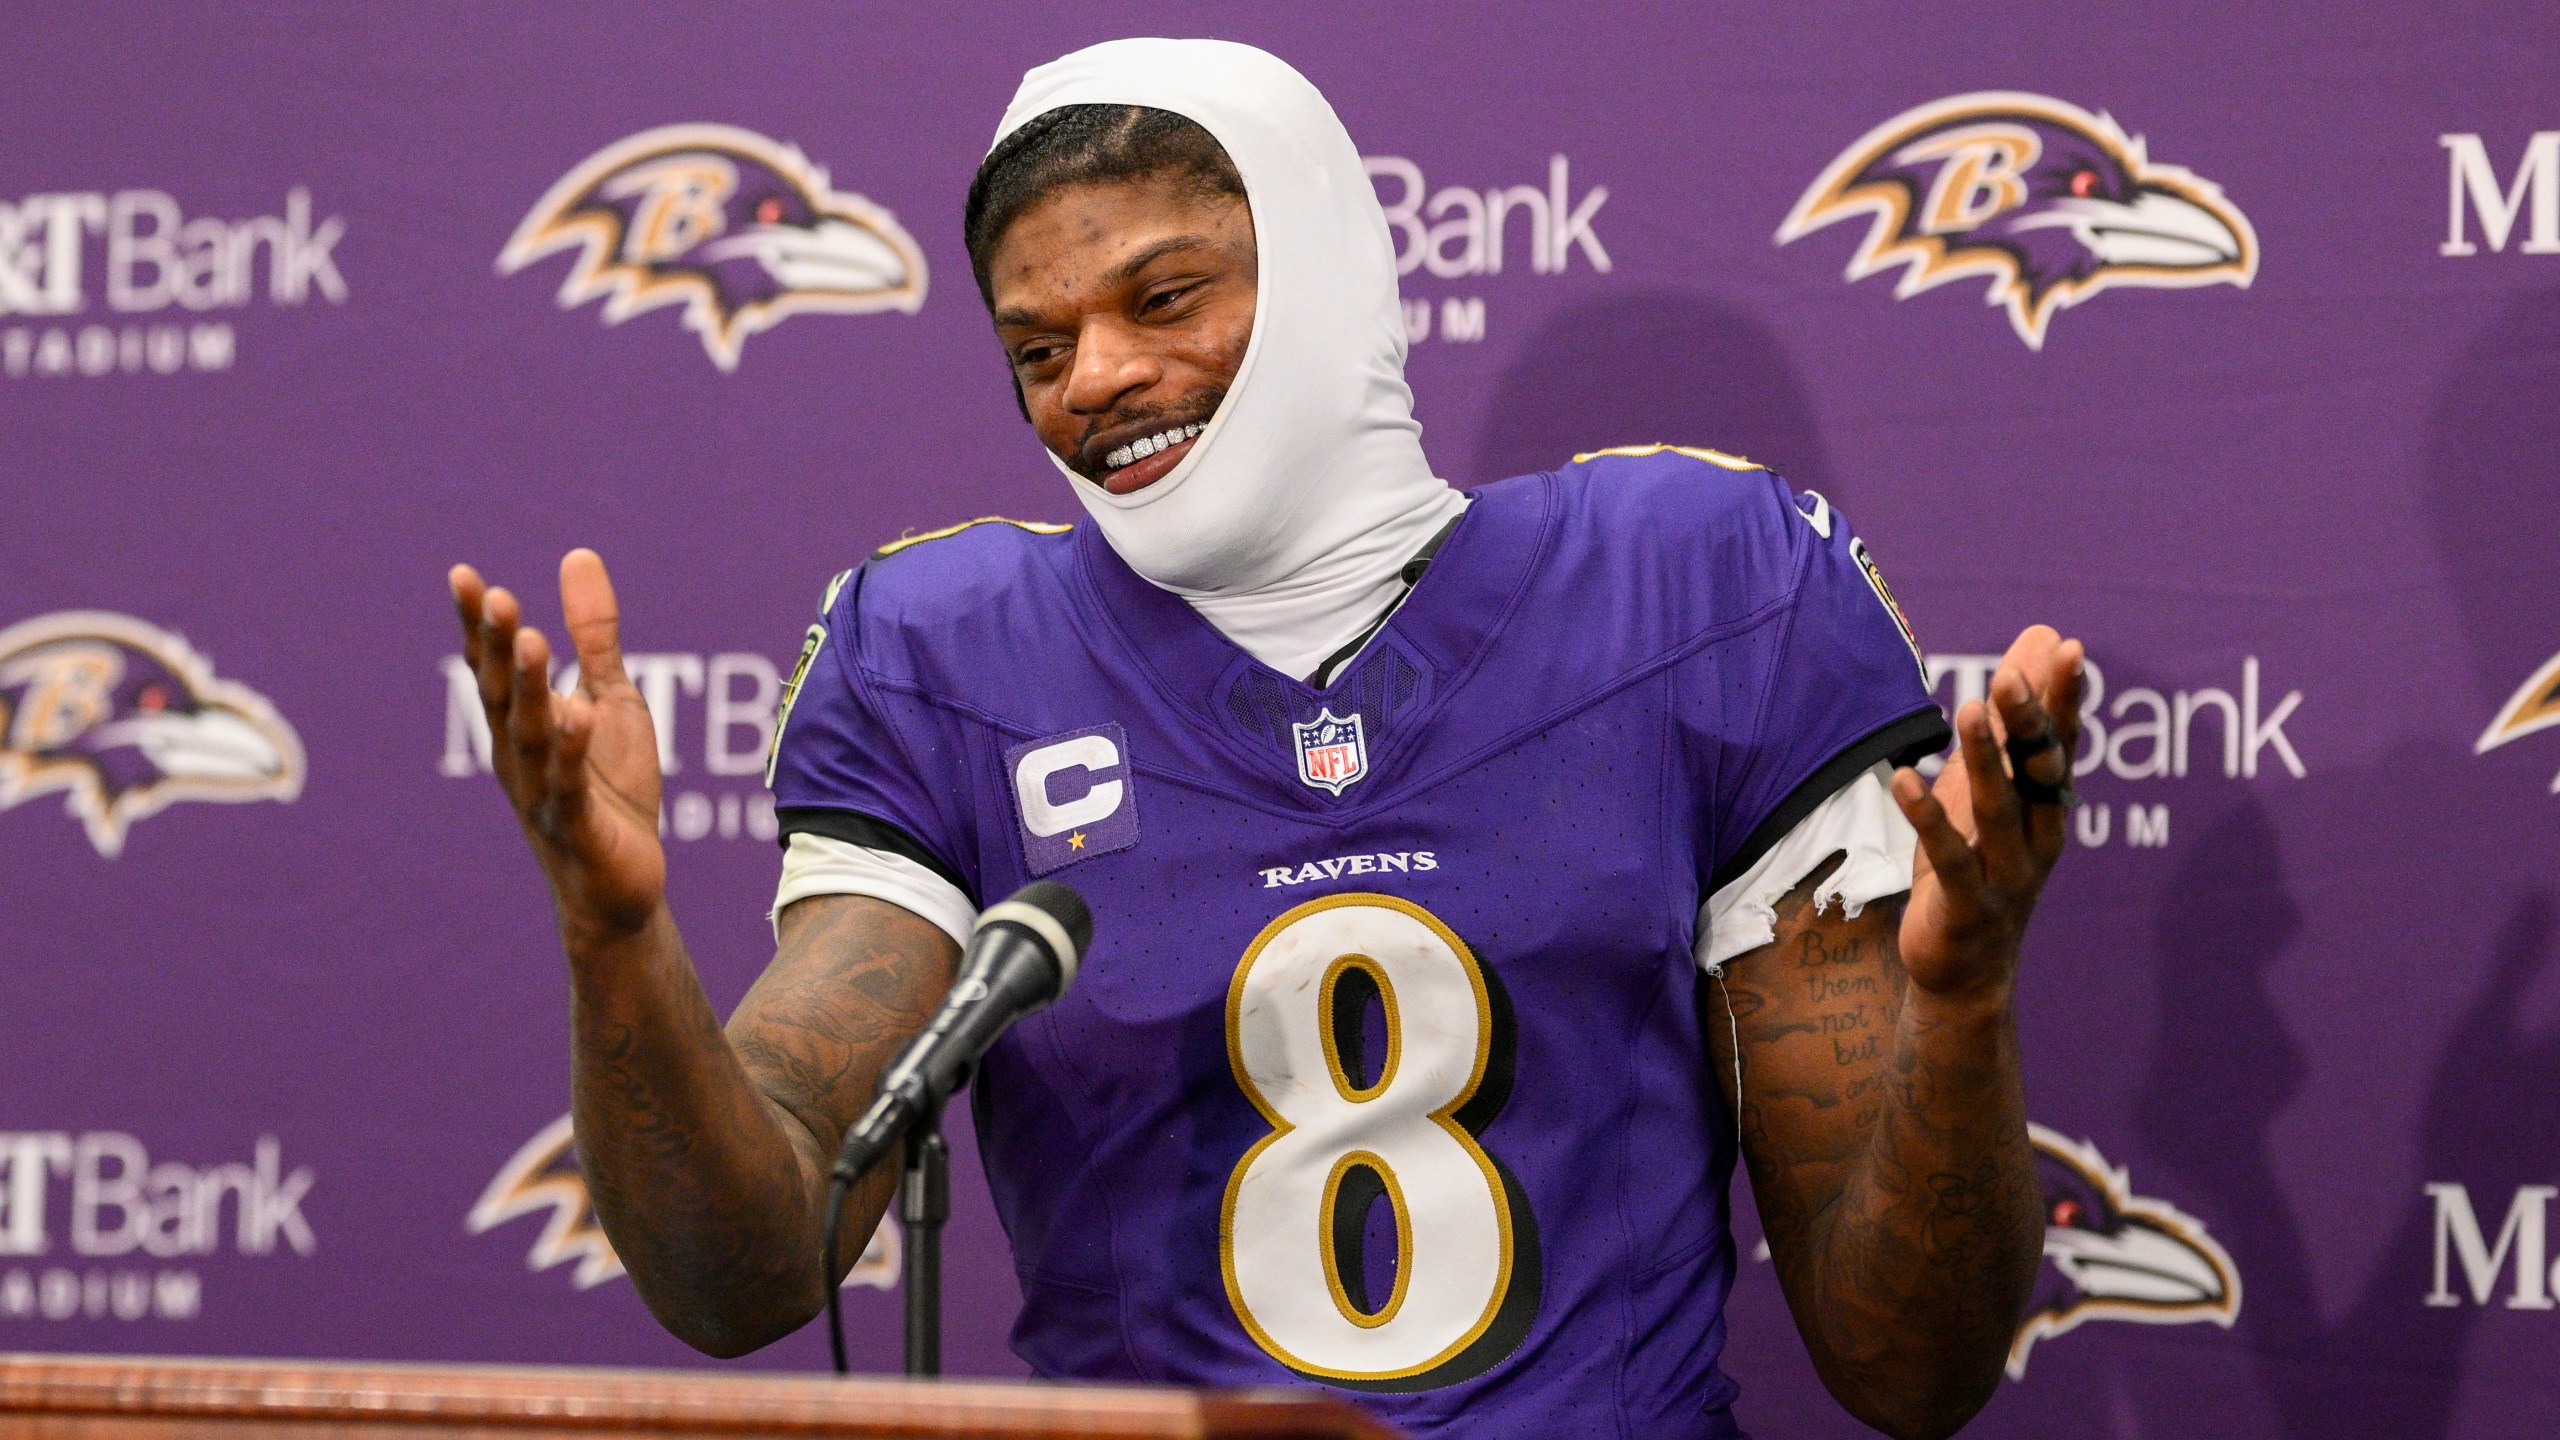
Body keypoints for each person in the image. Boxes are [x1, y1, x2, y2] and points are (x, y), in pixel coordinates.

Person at [449, 38, 2085, 1440]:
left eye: (1164, 295)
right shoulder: (942, 655)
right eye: (1035, 346)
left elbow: (1910, 1369)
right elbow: (748, 1272)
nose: (1098, 375)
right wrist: (616, 945)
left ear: (1319, 273)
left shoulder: (1691, 586)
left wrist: (1959, 1004)